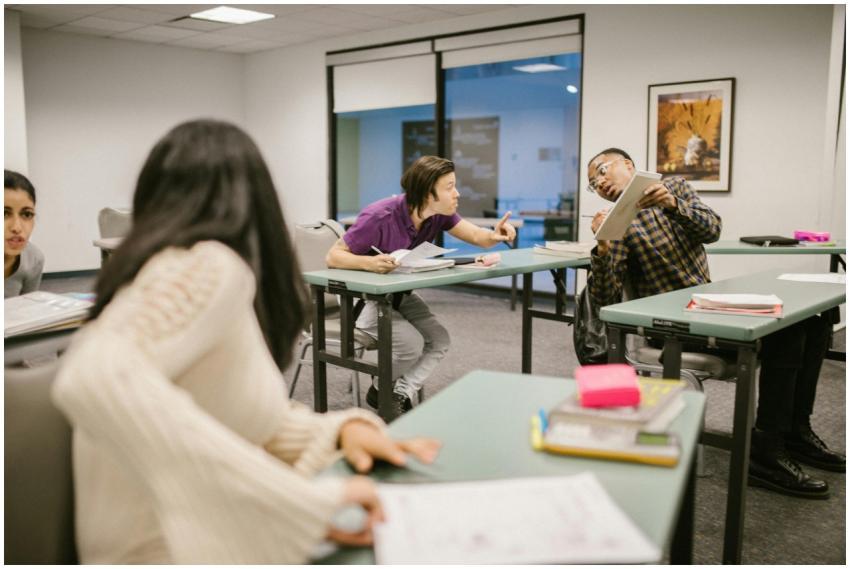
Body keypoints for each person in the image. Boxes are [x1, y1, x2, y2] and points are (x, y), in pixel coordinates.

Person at [51, 120, 441, 564]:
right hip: (169, 548)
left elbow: (235, 417)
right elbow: (94, 377)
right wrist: (298, 503)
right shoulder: (206, 264)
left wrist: (337, 431)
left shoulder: (179, 275)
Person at [586, 147, 844, 499]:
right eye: (593, 183)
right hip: (670, 325)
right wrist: (602, 247)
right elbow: (604, 297)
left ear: (628, 165)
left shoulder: (674, 188)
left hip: (709, 307)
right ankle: (766, 454)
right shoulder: (615, 222)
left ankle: (796, 433)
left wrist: (672, 205)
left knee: (813, 323)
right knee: (788, 336)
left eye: (602, 170)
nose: (599, 183)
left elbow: (713, 230)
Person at [326, 156, 516, 416]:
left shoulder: (438, 215)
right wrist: (369, 263)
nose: (457, 193)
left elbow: (476, 235)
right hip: (363, 298)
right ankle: (388, 394)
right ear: (428, 192)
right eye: (450, 187)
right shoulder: (379, 216)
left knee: (439, 340)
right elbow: (333, 257)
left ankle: (391, 393)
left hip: (397, 294)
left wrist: (494, 235)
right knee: (411, 345)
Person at [4, 169, 44, 297]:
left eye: (27, 214)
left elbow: (27, 307)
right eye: (4, 213)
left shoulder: (34, 259)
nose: (17, 227)